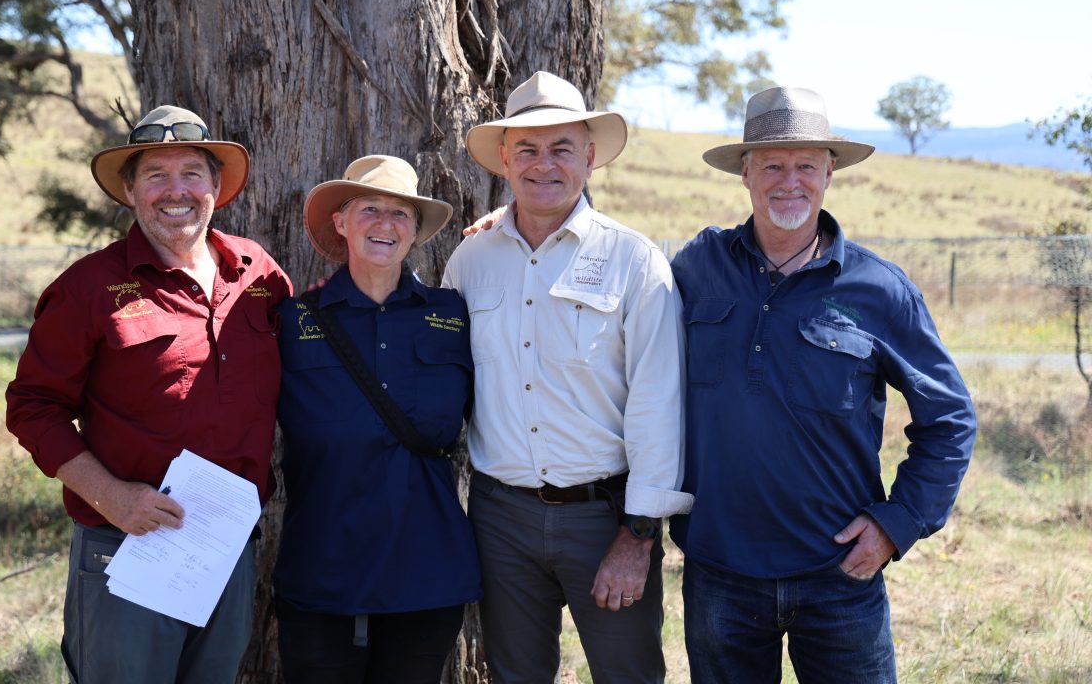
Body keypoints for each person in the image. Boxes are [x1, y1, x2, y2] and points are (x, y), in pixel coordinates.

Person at [669, 86, 978, 683]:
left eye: (807, 165)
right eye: (773, 165)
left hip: (839, 574)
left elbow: (950, 419)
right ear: (746, 174)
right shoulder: (696, 268)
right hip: (720, 571)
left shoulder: (879, 290)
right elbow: (616, 287)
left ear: (830, 173)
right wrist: (520, 223)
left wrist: (900, 521)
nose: (791, 181)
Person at [5, 106, 291, 684]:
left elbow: (323, 338)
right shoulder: (87, 287)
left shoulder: (257, 273)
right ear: (131, 191)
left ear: (216, 187)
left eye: (191, 172)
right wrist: (109, 495)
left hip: (225, 545)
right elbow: (32, 407)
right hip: (126, 539)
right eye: (155, 175)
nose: (175, 190)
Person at [442, 71, 693, 683]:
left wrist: (637, 537)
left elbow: (659, 403)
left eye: (560, 148)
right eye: (526, 149)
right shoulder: (469, 260)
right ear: (504, 160)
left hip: (605, 516)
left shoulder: (635, 261)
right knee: (516, 675)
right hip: (501, 517)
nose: (543, 165)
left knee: (627, 673)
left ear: (588, 157)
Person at [273, 155, 480, 683]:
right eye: (370, 209)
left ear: (415, 231)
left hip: (426, 568)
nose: (386, 225)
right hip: (323, 567)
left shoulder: (453, 313)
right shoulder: (293, 320)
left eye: (401, 214)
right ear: (340, 222)